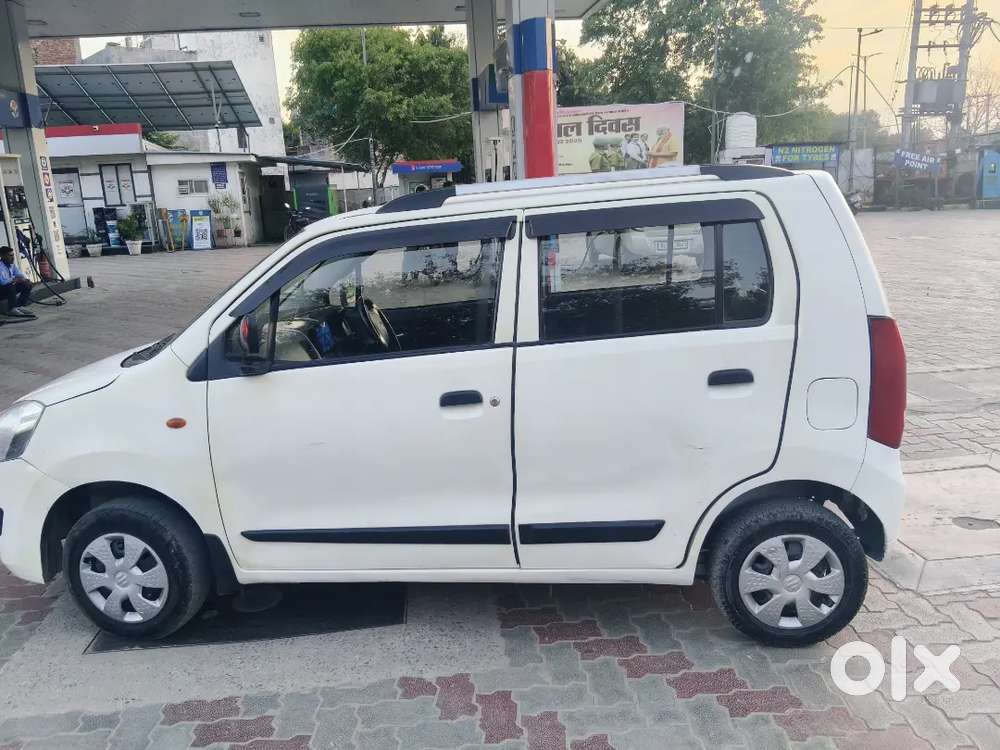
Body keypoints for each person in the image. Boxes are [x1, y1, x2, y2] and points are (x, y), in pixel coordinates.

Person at [0, 246, 34, 318]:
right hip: (2, 290)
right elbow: (2, 282)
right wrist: (14, 280)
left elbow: (19, 274)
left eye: (13, 255)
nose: (13, 258)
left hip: (9, 288)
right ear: (2, 256)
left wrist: (23, 279)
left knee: (27, 284)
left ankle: (19, 306)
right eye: (10, 255)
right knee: (10, 286)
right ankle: (12, 309)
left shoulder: (12, 265)